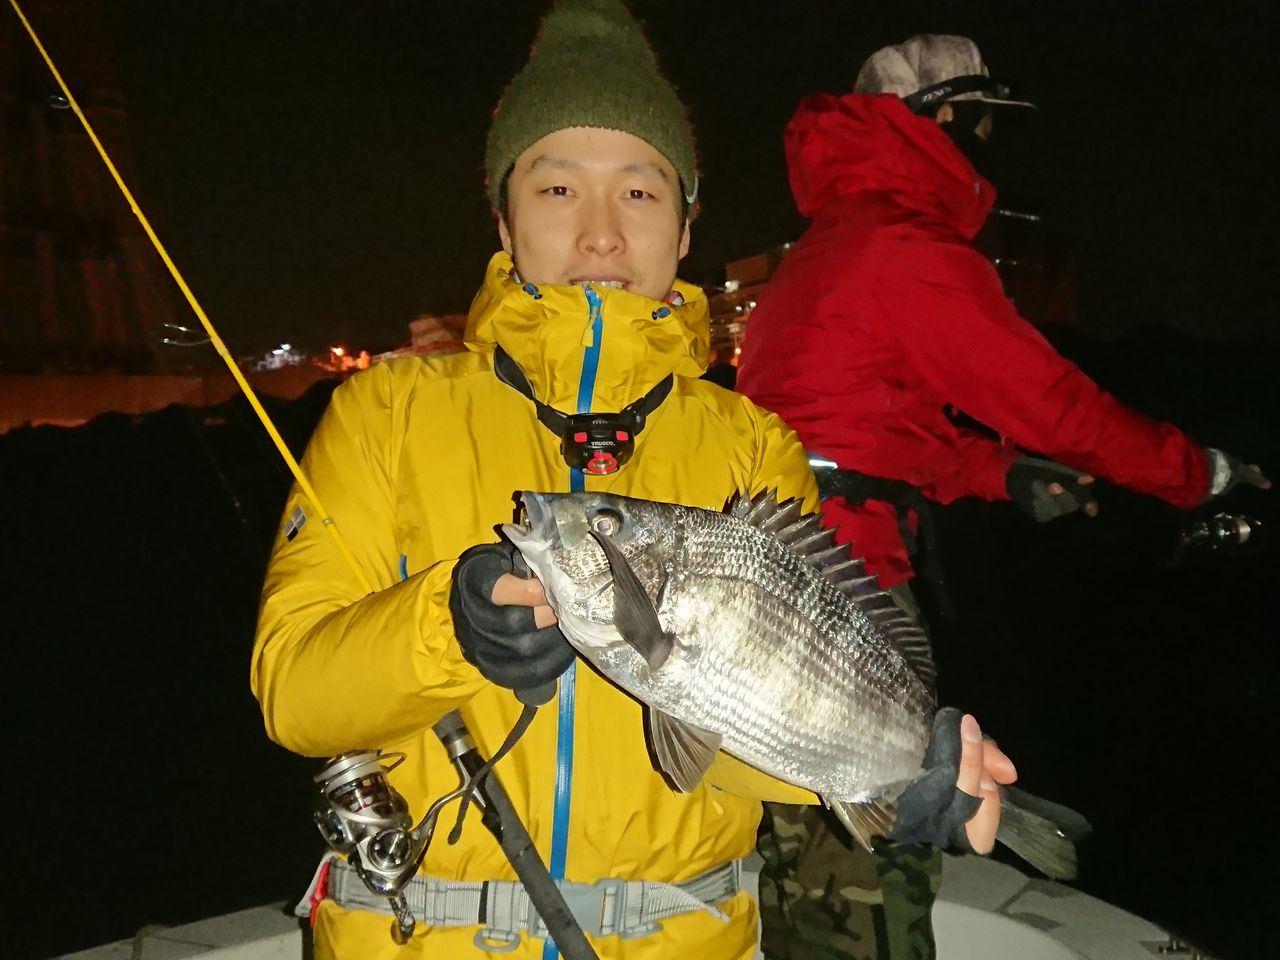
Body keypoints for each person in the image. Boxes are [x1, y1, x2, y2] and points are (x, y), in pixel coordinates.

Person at [252, 10, 1016, 960]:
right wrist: (446, 625)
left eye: (642, 192)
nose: (602, 235)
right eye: (558, 187)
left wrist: (903, 772)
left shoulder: (753, 445)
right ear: (503, 218)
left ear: (687, 225)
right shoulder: (385, 413)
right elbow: (293, 696)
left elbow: (738, 746)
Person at [736, 33, 1269, 960]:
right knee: (874, 861)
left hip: (790, 567)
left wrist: (999, 474)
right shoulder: (905, 244)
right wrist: (1199, 473)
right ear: (942, 119)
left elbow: (868, 428)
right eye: (984, 123)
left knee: (808, 844)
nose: (990, 145)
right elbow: (1052, 402)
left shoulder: (835, 242)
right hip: (846, 576)